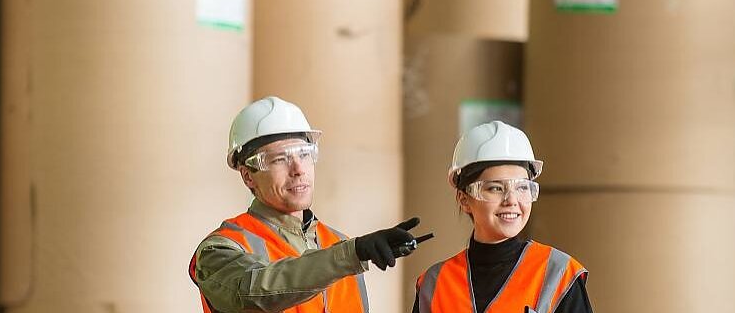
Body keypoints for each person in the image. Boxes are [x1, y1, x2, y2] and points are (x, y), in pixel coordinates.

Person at [190, 96, 423, 313]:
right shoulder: (220, 249)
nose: (298, 169)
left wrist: (352, 252)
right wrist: (352, 253)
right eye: (280, 159)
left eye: (304, 154)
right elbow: (255, 292)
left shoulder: (338, 243)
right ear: (248, 175)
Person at [413, 121, 593, 313]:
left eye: (522, 187)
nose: (511, 200)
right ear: (464, 199)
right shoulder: (434, 285)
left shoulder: (559, 275)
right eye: (496, 188)